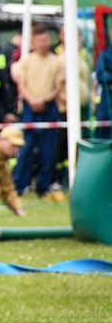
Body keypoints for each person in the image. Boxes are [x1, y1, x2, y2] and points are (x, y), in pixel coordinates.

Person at [12, 26, 63, 197]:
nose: (43, 43)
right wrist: (32, 99)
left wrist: (44, 100)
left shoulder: (56, 62)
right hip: (29, 109)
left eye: (46, 39)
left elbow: (58, 87)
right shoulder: (26, 61)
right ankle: (19, 186)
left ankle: (43, 187)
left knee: (48, 152)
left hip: (48, 110)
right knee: (24, 149)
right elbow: (21, 84)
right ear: (34, 42)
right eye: (39, 40)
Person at [53, 24, 91, 195]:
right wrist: (67, 100)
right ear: (61, 36)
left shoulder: (84, 56)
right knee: (63, 146)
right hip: (66, 110)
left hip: (84, 108)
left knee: (84, 143)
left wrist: (92, 98)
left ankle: (81, 179)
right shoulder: (58, 57)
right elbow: (56, 86)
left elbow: (90, 80)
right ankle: (60, 180)